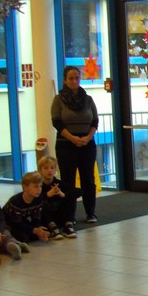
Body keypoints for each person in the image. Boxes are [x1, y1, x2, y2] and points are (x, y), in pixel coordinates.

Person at [51, 65, 99, 224]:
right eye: (70, 78)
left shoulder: (88, 99)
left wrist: (87, 137)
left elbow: (94, 121)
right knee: (67, 181)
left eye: (77, 78)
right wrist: (73, 138)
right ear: (65, 80)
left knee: (88, 179)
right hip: (66, 144)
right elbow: (57, 122)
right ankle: (69, 216)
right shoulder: (58, 99)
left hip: (87, 144)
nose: (74, 81)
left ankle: (90, 212)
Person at [38, 156, 81, 239]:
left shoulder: (58, 183)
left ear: (55, 170)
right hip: (46, 218)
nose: (49, 170)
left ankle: (68, 226)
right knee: (41, 203)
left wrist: (63, 194)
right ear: (40, 171)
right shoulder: (38, 185)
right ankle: (53, 228)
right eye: (46, 168)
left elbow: (79, 191)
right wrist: (47, 195)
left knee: (71, 197)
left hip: (60, 215)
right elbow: (33, 200)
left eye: (52, 168)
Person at [3, 172, 50, 244]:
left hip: (23, 220)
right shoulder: (15, 201)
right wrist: (34, 230)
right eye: (36, 186)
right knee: (23, 236)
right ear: (25, 187)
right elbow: (17, 223)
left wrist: (39, 229)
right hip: (10, 223)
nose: (39, 189)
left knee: (45, 230)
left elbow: (36, 217)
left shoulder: (38, 199)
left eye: (40, 186)